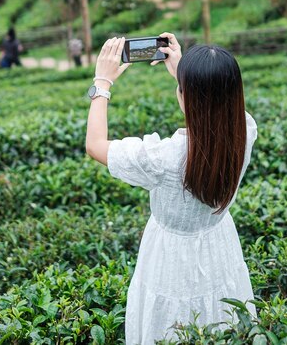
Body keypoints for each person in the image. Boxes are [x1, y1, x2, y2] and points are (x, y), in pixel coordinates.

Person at [85, 34, 258, 344]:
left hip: (168, 258)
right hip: (220, 247)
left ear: (184, 97)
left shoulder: (163, 158)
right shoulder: (246, 130)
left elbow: (95, 145)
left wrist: (102, 83)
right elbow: (214, 106)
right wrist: (186, 74)